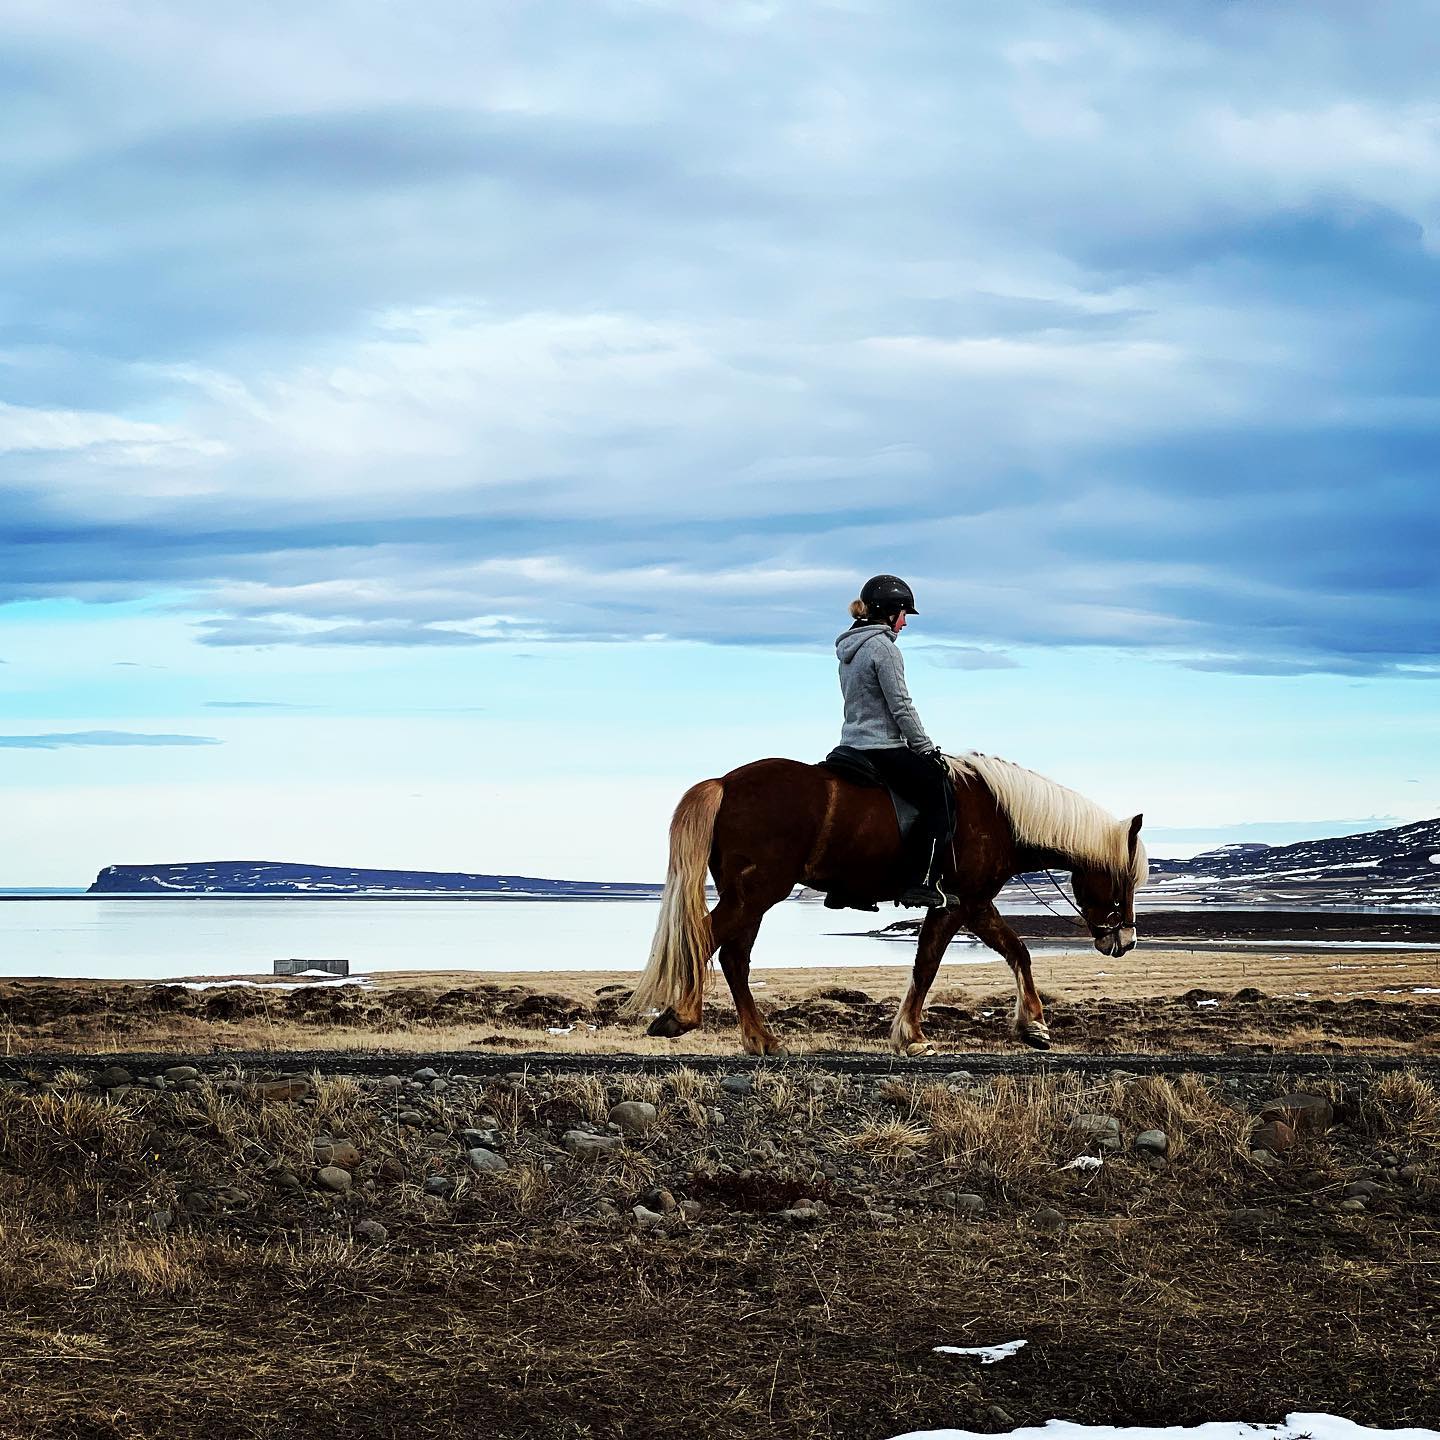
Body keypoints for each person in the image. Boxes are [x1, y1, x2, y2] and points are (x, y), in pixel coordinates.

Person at [835, 574, 957, 908]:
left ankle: (846, 884)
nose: (904, 623)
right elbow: (901, 705)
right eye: (903, 614)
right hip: (882, 746)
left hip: (850, 745)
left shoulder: (848, 649)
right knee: (941, 795)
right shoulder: (884, 649)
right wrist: (925, 748)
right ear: (889, 612)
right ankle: (921, 882)